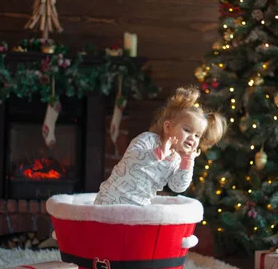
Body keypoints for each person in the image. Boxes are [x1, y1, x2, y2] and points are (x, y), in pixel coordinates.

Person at [94, 86, 227, 206]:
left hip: (138, 207)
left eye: (197, 135)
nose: (192, 137)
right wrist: (157, 153)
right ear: (168, 127)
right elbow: (132, 159)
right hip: (111, 200)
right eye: (187, 130)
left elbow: (177, 187)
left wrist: (187, 164)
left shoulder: (177, 159)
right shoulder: (148, 139)